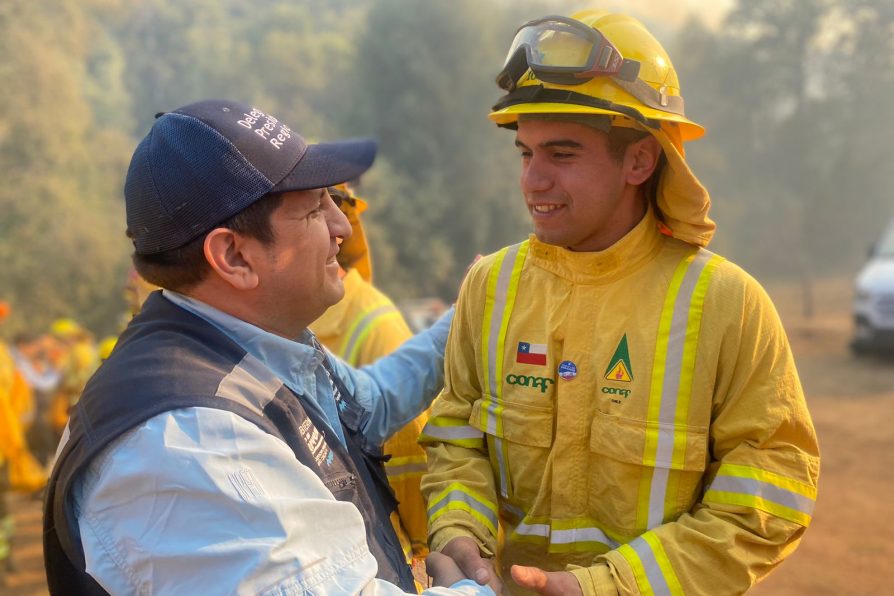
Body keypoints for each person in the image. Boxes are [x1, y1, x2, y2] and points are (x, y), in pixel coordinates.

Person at [420, 11, 819, 595]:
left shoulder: (727, 306)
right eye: (525, 154)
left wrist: (608, 586)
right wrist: (460, 530)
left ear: (640, 160)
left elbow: (766, 504)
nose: (533, 181)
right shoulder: (491, 287)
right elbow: (457, 437)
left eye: (562, 154)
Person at [43, 99, 492, 596]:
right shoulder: (194, 445)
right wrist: (469, 589)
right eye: (316, 209)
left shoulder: (245, 352)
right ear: (234, 256)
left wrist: (470, 309)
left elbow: (367, 402)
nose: (343, 229)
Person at [310, 184, 432, 573]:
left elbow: (413, 462)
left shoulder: (377, 326)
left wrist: (425, 556)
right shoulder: (278, 326)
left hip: (377, 558)